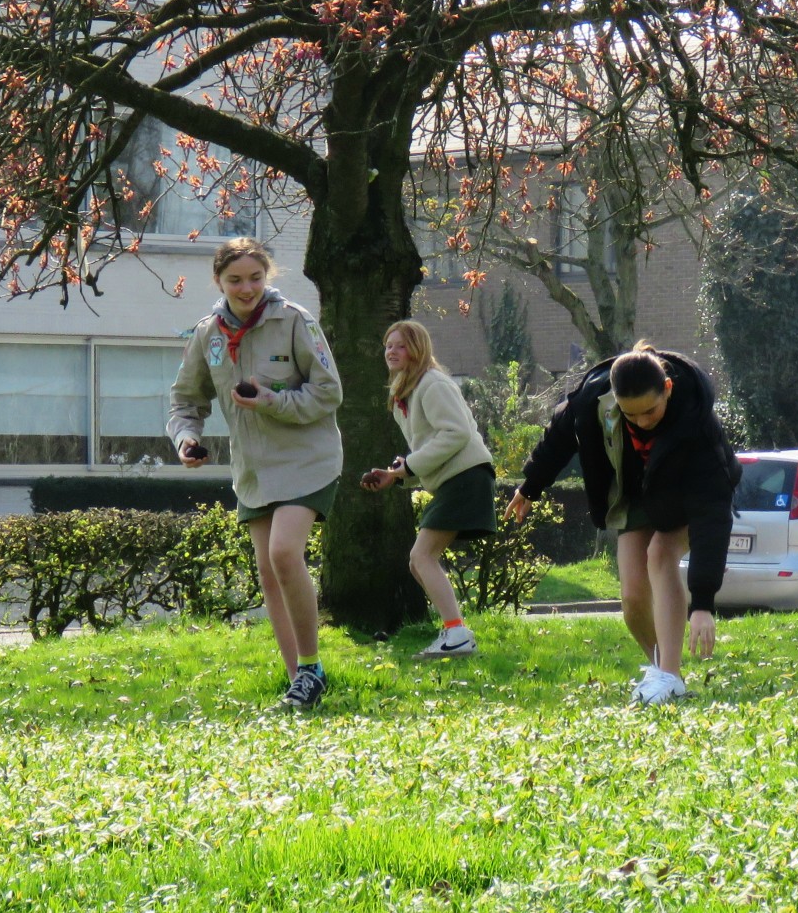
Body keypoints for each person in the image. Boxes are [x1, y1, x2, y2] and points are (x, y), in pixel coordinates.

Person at [506, 343, 739, 704]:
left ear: (668, 390)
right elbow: (560, 436)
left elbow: (712, 513)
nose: (643, 422)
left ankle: (670, 675)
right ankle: (663, 672)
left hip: (682, 494)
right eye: (632, 416)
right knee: (632, 599)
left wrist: (704, 603)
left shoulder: (697, 427)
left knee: (661, 555)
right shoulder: (592, 400)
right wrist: (530, 486)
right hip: (635, 496)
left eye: (650, 411)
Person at [167, 237, 344, 709]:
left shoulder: (295, 321)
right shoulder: (207, 334)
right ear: (219, 282)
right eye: (235, 280)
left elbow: (328, 394)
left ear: (268, 277)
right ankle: (300, 682)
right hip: (254, 470)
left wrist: (271, 400)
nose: (246, 288)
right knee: (268, 571)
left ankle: (311, 667)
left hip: (307, 460)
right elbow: (186, 403)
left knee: (285, 554)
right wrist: (185, 440)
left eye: (255, 278)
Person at [359, 320, 497, 659]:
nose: (391, 351)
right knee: (418, 561)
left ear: (418, 350)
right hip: (457, 478)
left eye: (400, 346)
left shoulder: (432, 384)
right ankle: (454, 630)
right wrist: (398, 473)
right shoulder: (408, 390)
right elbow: (435, 443)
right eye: (388, 345)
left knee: (422, 557)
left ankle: (457, 633)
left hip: (466, 477)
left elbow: (456, 434)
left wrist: (407, 466)